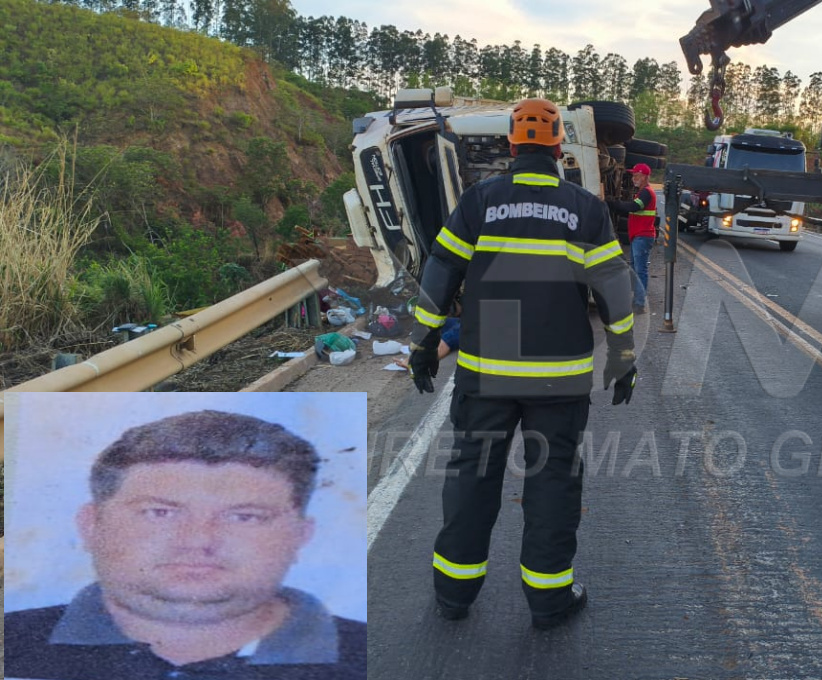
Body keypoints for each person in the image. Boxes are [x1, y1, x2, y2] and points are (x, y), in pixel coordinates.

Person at [406, 97, 639, 631]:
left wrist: (424, 343)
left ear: (512, 145)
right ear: (559, 147)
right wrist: (624, 357)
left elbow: (441, 273)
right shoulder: (585, 209)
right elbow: (615, 292)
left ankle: (453, 597)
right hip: (560, 374)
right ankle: (549, 601)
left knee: (473, 477)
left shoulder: (478, 202)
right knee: (552, 482)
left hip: (489, 367)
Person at [4, 409, 367, 679]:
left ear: (300, 536)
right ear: (91, 525)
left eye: (244, 517)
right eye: (159, 513)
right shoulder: (11, 644)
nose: (197, 541)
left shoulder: (365, 654)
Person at [606, 162, 658, 314]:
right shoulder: (641, 192)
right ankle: (637, 301)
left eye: (636, 175)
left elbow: (633, 207)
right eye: (633, 175)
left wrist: (612, 203)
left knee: (640, 270)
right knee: (636, 269)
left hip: (643, 236)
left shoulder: (646, 193)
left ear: (644, 176)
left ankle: (639, 304)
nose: (633, 178)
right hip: (639, 236)